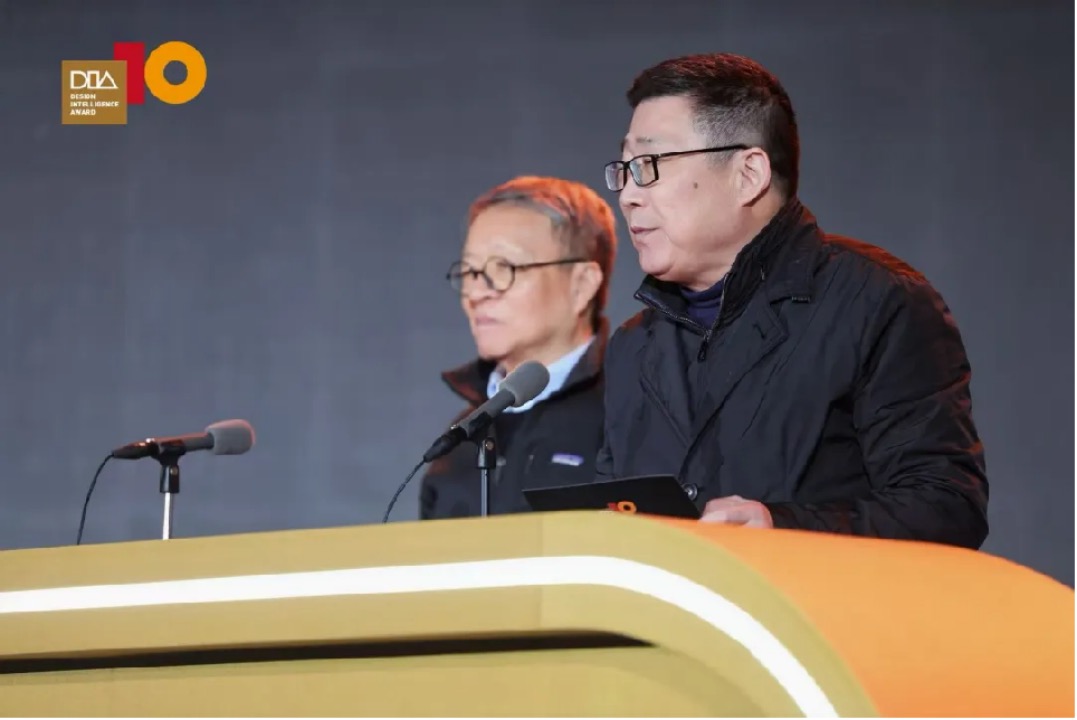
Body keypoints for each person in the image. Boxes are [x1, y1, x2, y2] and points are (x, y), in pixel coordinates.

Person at [597, 52, 988, 548]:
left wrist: (782, 528)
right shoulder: (634, 345)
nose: (628, 195)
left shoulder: (877, 302)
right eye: (624, 169)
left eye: (649, 166)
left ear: (748, 174)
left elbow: (947, 508)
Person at [420, 176, 618, 519]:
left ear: (582, 285)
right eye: (470, 272)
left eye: (504, 268)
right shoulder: (460, 439)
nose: (476, 293)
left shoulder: (627, 413)